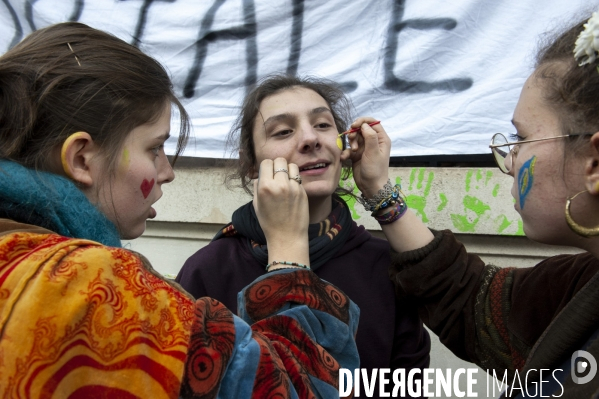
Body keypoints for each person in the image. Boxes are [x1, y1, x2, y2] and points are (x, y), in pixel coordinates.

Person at [0, 22, 360, 398]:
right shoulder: (102, 287)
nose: (167, 172)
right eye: (154, 148)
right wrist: (288, 250)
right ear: (81, 159)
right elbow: (302, 386)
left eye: (322, 124)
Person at [339, 10, 599, 398]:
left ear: (594, 165)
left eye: (521, 138)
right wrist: (379, 190)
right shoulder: (580, 285)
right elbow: (473, 300)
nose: (510, 162)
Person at [176, 74, 431, 397]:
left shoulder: (384, 265)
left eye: (323, 125)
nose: (311, 139)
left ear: (344, 147)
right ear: (252, 164)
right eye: (283, 131)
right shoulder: (209, 269)